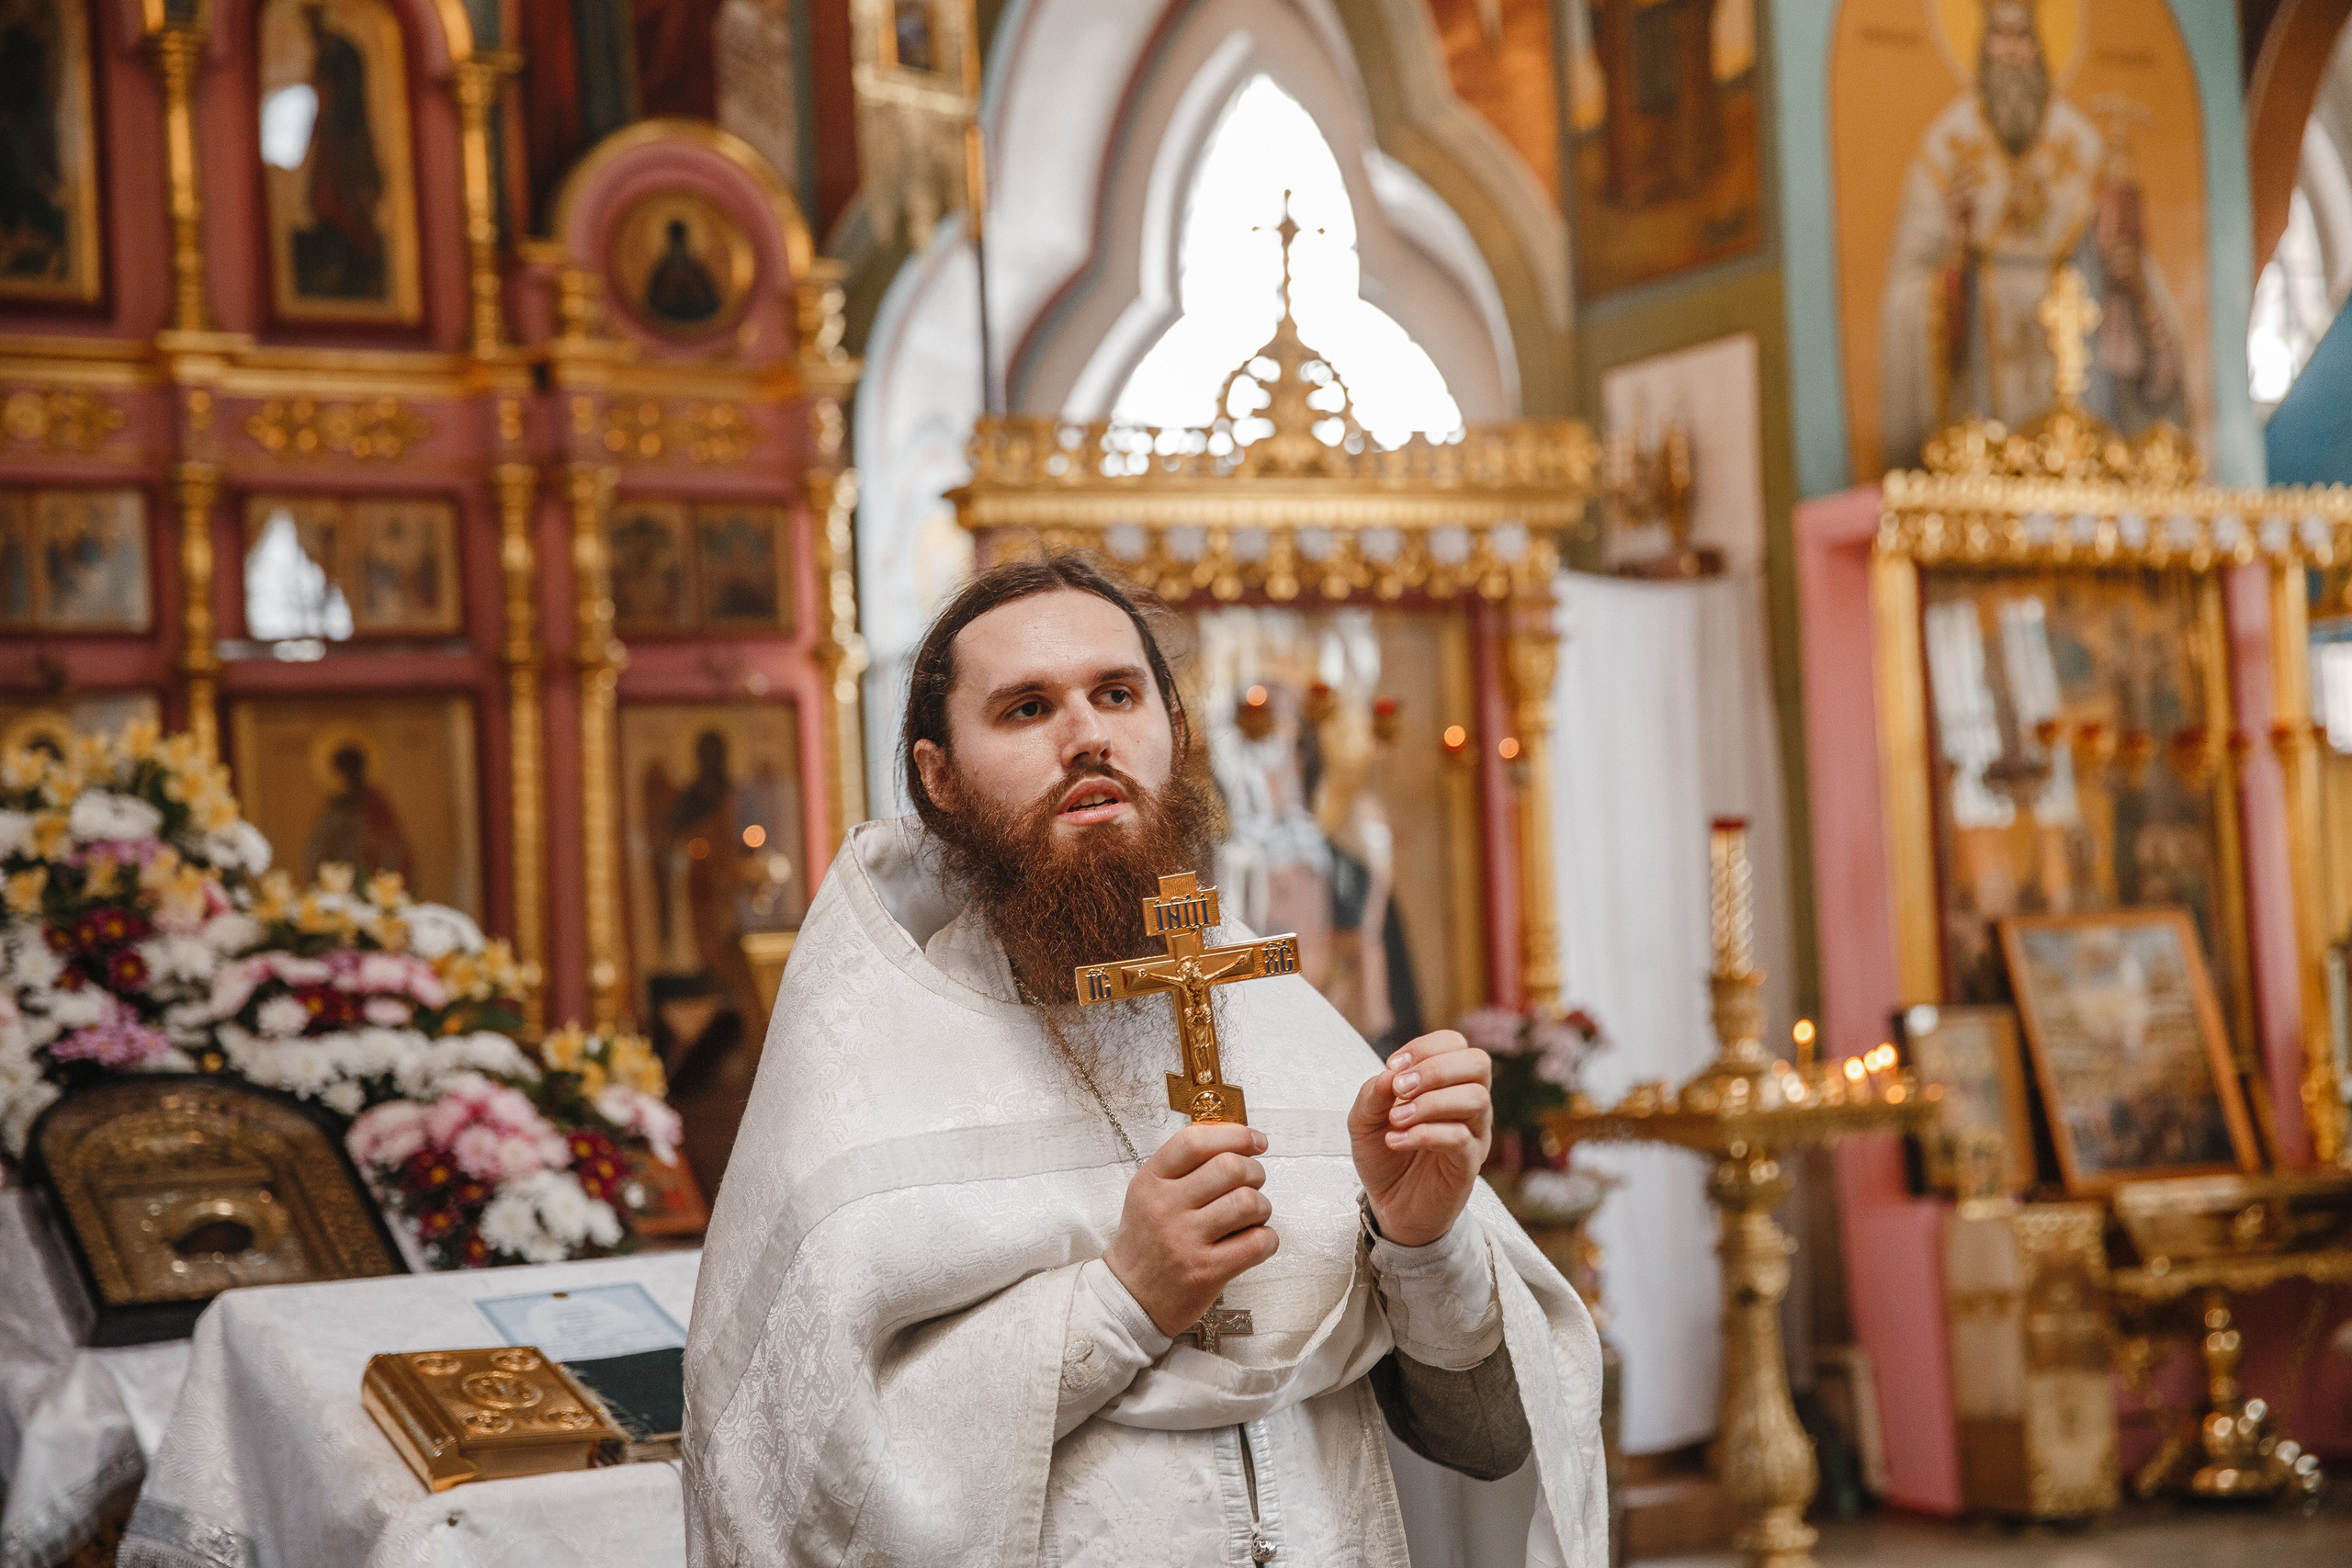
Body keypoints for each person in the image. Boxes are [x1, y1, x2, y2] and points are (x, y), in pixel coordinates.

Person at [685, 554, 1604, 1565]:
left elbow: (1484, 1442)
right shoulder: (869, 1073)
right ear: (938, 776)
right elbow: (791, 1481)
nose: (1088, 736)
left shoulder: (1287, 1027)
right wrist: (1120, 1301)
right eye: (1028, 708)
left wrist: (1420, 1242)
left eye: (1117, 695)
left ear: (1174, 728)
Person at [1879, 0, 2188, 466]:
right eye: (1999, 36)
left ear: (2040, 47)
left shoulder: (2084, 153)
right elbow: (1905, 303)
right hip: (1976, 446)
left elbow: (2138, 303)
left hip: (2081, 442)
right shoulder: (1944, 156)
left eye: (2021, 36)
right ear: (1982, 47)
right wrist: (1954, 260)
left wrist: (2130, 285)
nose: (2010, 52)